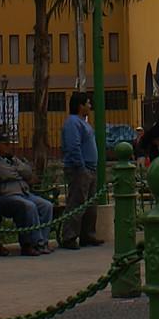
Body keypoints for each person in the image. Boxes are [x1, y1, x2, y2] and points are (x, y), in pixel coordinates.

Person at [0, 131, 54, 254]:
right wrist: (21, 173)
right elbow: (7, 174)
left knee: (46, 205)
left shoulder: (11, 158)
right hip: (7, 195)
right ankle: (36, 242)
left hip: (25, 193)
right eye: (5, 144)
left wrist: (20, 172)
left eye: (9, 143)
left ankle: (43, 241)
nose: (8, 146)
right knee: (29, 206)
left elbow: (27, 171)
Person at [60, 94, 104, 250]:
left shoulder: (83, 123)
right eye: (88, 103)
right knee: (77, 203)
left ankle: (87, 234)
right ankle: (69, 236)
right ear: (80, 105)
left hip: (90, 168)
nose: (90, 106)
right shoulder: (73, 123)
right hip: (80, 169)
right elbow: (73, 146)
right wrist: (81, 166)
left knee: (90, 204)